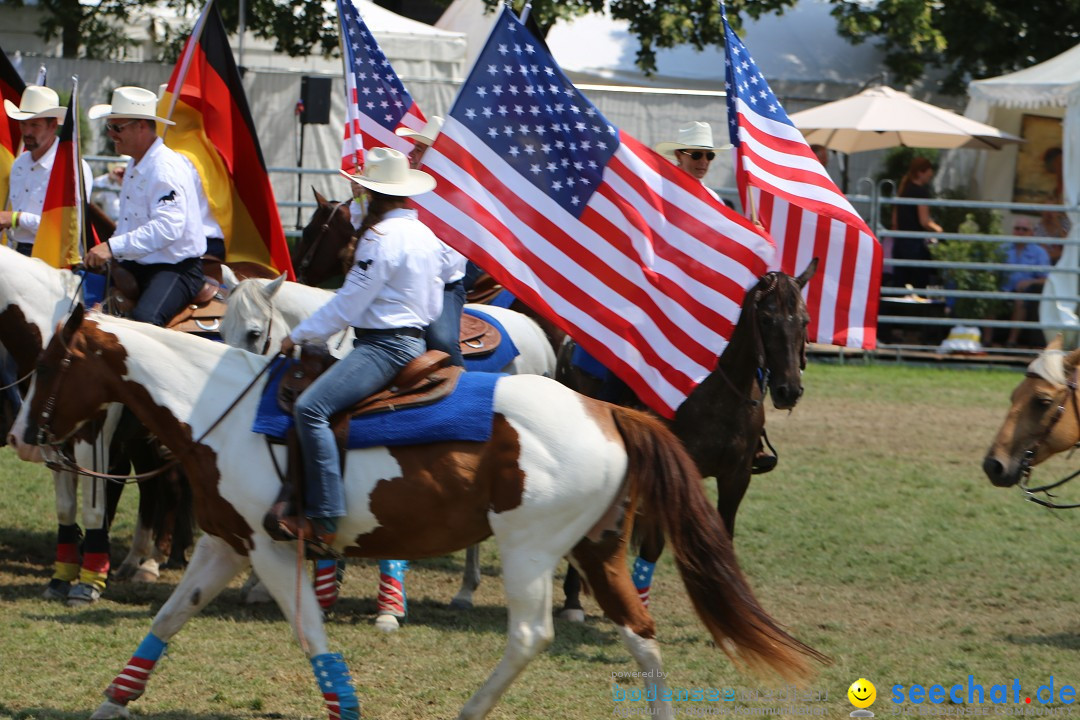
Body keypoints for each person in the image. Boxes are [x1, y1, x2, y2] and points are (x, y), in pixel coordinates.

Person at [275, 147, 444, 547]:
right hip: (413, 339)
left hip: (385, 347)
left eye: (360, 193)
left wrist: (296, 336)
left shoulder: (381, 238)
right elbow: (436, 303)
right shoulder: (425, 234)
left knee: (310, 409)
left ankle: (325, 515)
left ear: (372, 196)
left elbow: (347, 304)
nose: (356, 201)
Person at [83, 86, 206, 326]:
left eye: (117, 127)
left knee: (144, 321)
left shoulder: (164, 167)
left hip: (176, 269)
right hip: (140, 263)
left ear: (141, 126)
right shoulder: (137, 164)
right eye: (110, 127)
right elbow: (130, 223)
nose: (111, 134)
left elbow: (167, 229)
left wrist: (111, 247)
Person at [396, 116, 467, 367]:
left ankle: (462, 385)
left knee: (443, 339)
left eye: (418, 149)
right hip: (404, 280)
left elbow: (448, 262)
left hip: (442, 287)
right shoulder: (404, 188)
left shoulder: (455, 198)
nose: (410, 155)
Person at [0, 85, 92, 256]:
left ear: (53, 126)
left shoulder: (72, 169)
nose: (27, 131)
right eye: (23, 124)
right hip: (17, 252)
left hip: (52, 257)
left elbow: (70, 229)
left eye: (35, 125)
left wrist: (16, 218)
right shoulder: (19, 164)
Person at [891, 156, 943, 291]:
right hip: (915, 245)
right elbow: (924, 221)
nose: (930, 175)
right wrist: (939, 230)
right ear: (920, 173)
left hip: (900, 244)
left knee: (899, 286)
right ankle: (919, 311)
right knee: (920, 283)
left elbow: (894, 221)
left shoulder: (904, 189)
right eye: (928, 172)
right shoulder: (920, 192)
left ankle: (896, 311)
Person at [1003, 216, 1051, 347]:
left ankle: (1011, 342)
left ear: (1031, 233)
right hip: (1003, 290)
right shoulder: (1002, 248)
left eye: (1024, 229)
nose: (1020, 232)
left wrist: (1029, 282)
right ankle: (987, 341)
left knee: (1020, 300)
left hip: (1025, 293)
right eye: (1017, 228)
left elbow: (1047, 279)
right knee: (989, 296)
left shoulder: (1039, 252)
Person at [654, 121, 731, 200]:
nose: (704, 161)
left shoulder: (713, 199)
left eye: (709, 156)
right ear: (679, 156)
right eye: (697, 155)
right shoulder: (659, 190)